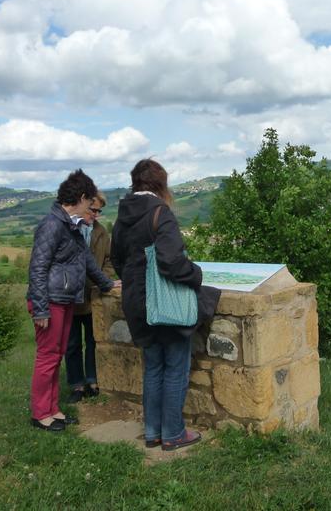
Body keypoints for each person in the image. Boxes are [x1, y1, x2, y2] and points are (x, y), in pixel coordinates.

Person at [111, 159, 210, 451]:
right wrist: (196, 275)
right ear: (160, 185)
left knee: (153, 367)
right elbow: (171, 262)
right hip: (164, 304)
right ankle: (174, 433)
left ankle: (153, 431)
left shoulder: (122, 216)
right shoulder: (160, 213)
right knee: (176, 367)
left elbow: (117, 260)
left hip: (135, 301)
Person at [27, 170, 120, 431]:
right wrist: (41, 308)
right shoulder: (52, 225)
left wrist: (107, 283)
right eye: (90, 201)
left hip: (64, 299)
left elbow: (87, 261)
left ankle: (52, 409)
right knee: (47, 357)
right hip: (50, 301)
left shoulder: (71, 225)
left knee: (56, 357)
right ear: (80, 198)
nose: (92, 207)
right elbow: (37, 268)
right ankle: (40, 414)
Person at [65, 190, 112, 403]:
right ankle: (76, 385)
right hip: (71, 296)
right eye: (93, 209)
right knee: (72, 343)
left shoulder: (101, 232)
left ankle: (93, 381)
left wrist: (106, 279)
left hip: (94, 295)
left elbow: (109, 260)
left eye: (99, 211)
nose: (96, 215)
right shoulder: (68, 229)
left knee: (93, 340)